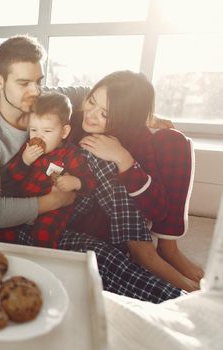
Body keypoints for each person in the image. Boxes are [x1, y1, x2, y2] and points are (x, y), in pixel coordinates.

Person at [0, 35, 182, 303]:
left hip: (70, 197)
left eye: (39, 81)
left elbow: (92, 95)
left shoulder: (46, 101)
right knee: (99, 257)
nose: (35, 92)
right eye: (23, 83)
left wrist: (140, 116)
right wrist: (52, 200)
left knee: (97, 151)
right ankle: (175, 300)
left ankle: (139, 246)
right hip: (26, 224)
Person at [66, 70, 203, 292]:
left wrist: (124, 159)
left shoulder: (138, 137)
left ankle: (168, 247)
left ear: (126, 119)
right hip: (90, 216)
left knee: (173, 140)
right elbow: (58, 93)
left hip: (133, 215)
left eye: (104, 114)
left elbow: (158, 209)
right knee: (95, 153)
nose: (90, 115)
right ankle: (145, 253)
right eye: (91, 102)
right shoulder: (74, 116)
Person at [0, 91, 96, 248]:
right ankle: (8, 253)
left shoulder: (70, 155)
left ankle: (42, 261)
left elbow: (90, 183)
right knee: (0, 224)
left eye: (47, 131)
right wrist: (25, 161)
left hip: (54, 208)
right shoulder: (28, 147)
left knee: (44, 232)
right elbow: (12, 177)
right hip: (26, 201)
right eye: (33, 130)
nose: (39, 136)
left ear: (64, 132)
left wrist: (76, 182)